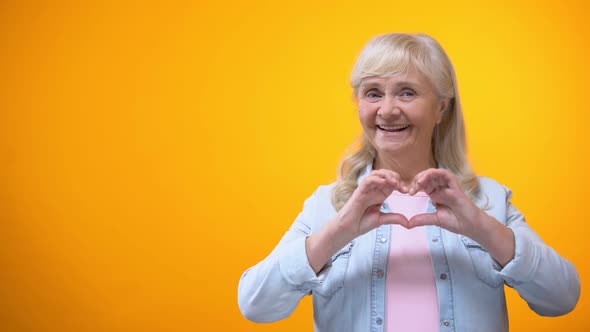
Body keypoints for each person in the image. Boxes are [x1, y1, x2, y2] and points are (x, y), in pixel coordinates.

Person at [237, 33, 580, 332]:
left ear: (441, 108)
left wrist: (481, 226)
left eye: (406, 93)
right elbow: (256, 306)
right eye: (373, 93)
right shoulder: (326, 206)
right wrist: (337, 232)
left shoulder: (488, 199)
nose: (387, 110)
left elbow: (562, 298)